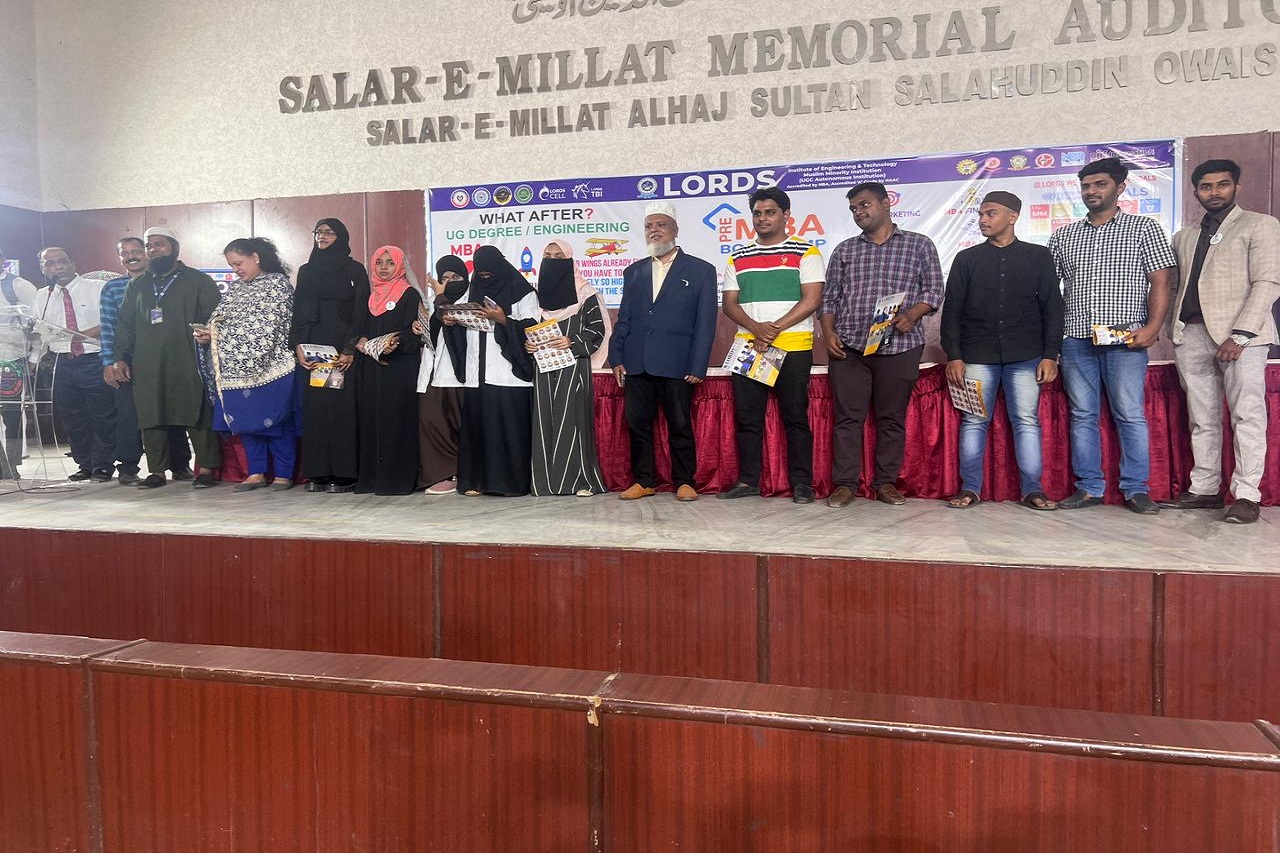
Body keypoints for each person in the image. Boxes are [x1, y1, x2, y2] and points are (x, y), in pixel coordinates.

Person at [1048, 157, 1177, 515]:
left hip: (1126, 338)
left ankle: (1136, 489)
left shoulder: (1143, 228)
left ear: (1120, 188)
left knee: (1129, 414)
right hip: (1075, 338)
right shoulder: (1063, 236)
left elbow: (1161, 281)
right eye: (1086, 185)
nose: (1091, 191)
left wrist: (1152, 328)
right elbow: (1050, 291)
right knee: (1082, 415)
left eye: (1100, 184)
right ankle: (1088, 487)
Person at [1159, 159, 1280, 524]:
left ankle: (1246, 495)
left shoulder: (1260, 224)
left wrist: (1240, 334)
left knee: (1247, 414)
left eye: (1222, 185)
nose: (1214, 192)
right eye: (1206, 187)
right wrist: (1173, 327)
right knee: (1202, 417)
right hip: (1192, 334)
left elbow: (1267, 282)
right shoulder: (1184, 235)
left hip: (1241, 337)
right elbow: (1175, 286)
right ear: (1196, 192)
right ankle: (1205, 488)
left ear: (1236, 187)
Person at [820, 182, 945, 508]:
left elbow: (934, 290)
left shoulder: (919, 244)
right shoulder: (845, 250)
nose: (859, 213)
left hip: (900, 345)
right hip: (850, 347)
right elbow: (829, 298)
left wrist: (912, 315)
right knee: (848, 419)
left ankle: (885, 483)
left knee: (892, 419)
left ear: (886, 203)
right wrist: (829, 332)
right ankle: (845, 484)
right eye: (854, 209)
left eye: (864, 205)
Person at [941, 191, 1064, 511]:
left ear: (1012, 217)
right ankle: (970, 488)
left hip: (1026, 355)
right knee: (973, 421)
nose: (983, 220)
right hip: (975, 357)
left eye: (991, 213)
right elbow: (952, 312)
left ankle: (1033, 490)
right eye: (981, 214)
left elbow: (1053, 308)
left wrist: (1050, 354)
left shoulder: (1038, 256)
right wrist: (954, 355)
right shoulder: (966, 259)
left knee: (1026, 421)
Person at [718, 187, 824, 504]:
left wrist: (772, 329)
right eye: (757, 213)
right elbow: (729, 304)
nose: (762, 218)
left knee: (795, 417)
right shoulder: (738, 257)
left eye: (770, 212)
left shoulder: (806, 252)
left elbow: (812, 300)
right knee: (747, 418)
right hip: (749, 347)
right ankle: (748, 481)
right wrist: (756, 329)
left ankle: (802, 484)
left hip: (793, 346)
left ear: (786, 215)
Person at [608, 201, 718, 502]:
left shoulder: (701, 270)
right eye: (649, 226)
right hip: (637, 362)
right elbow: (625, 319)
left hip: (677, 363)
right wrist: (617, 356)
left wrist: (698, 364)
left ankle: (685, 481)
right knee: (637, 423)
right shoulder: (633, 271)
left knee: (680, 424)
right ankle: (644, 481)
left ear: (675, 229)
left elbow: (705, 322)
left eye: (661, 225)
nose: (654, 230)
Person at [115, 226, 223, 488]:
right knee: (151, 413)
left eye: (160, 244)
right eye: (149, 246)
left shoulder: (198, 281)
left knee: (196, 411)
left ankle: (206, 469)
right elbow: (125, 325)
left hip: (189, 358)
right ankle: (157, 471)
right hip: (147, 362)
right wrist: (121, 357)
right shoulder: (137, 284)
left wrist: (210, 335)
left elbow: (217, 318)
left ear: (175, 247)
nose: (153, 250)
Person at [438, 244, 539, 496]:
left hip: (508, 374)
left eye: (489, 271)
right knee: (478, 429)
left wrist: (502, 319)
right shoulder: (472, 289)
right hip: (477, 373)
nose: (484, 276)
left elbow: (532, 327)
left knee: (508, 430)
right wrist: (451, 320)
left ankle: (510, 484)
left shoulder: (523, 292)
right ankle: (477, 481)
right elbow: (458, 313)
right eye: (480, 272)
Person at [200, 237, 299, 493]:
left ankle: (283, 473)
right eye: (231, 266)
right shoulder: (235, 289)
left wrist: (221, 335)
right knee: (245, 422)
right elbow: (218, 319)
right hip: (235, 372)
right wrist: (208, 333)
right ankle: (256, 472)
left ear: (256, 257)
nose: (236, 270)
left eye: (239, 263)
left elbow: (266, 327)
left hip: (273, 367)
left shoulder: (277, 285)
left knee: (277, 422)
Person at [100, 237, 192, 487]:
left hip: (166, 359)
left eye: (137, 251)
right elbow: (109, 327)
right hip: (128, 361)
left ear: (147, 252)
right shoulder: (112, 288)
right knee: (129, 416)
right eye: (125, 253)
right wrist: (111, 362)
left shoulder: (170, 281)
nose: (131, 256)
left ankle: (179, 465)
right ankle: (129, 467)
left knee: (171, 410)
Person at [527, 239, 608, 497]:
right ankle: (545, 483)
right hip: (543, 368)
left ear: (570, 260)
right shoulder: (535, 297)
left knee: (571, 420)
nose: (552, 261)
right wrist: (528, 345)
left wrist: (572, 340)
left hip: (573, 366)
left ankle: (580, 482)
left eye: (558, 256)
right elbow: (526, 328)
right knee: (544, 422)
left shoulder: (586, 294)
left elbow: (598, 330)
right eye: (547, 256)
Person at [290, 218, 366, 493]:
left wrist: (349, 349)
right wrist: (298, 345)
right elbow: (298, 310)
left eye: (329, 232)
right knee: (317, 409)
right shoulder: (307, 270)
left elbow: (360, 310)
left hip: (341, 349)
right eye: (319, 232)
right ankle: (318, 471)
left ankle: (345, 473)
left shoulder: (354, 269)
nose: (322, 236)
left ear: (341, 236)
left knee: (340, 408)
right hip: (314, 350)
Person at [33, 247, 116, 482]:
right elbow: (39, 329)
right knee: (73, 418)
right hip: (61, 362)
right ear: (43, 269)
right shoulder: (43, 295)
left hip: (94, 359)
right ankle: (85, 464)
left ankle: (103, 465)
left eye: (62, 261)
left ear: (73, 263)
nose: (57, 267)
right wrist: (33, 360)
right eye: (50, 264)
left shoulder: (97, 287)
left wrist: (80, 336)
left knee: (102, 416)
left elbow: (110, 320)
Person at [352, 245, 422, 496]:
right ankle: (371, 480)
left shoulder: (409, 294)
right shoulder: (369, 295)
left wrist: (397, 342)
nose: (384, 267)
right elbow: (359, 328)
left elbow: (415, 333)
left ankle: (396, 481)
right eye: (379, 262)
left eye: (390, 263)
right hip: (371, 368)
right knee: (371, 420)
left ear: (400, 266)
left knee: (397, 421)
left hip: (399, 369)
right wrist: (359, 340)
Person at [414, 255, 468, 495]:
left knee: (459, 422)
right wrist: (418, 328)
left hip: (459, 373)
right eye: (444, 278)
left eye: (456, 277)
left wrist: (440, 296)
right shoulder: (430, 301)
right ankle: (443, 474)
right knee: (431, 421)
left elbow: (453, 320)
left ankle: (464, 472)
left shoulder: (471, 300)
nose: (449, 283)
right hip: (433, 371)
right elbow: (433, 331)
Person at [0, 247, 39, 480]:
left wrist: (34, 357)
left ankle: (11, 465)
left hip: (10, 359)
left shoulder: (18, 285)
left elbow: (38, 322)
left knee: (11, 415)